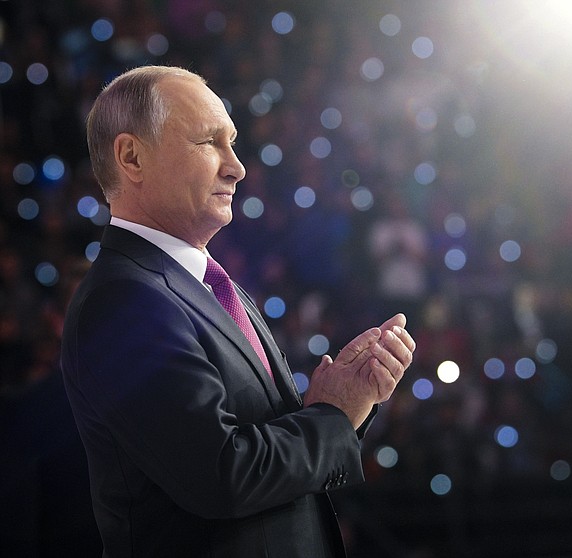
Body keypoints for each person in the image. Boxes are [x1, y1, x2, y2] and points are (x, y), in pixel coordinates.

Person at [60, 65, 415, 557]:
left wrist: (345, 399)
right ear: (131, 157)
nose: (237, 167)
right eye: (209, 142)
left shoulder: (209, 286)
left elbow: (265, 442)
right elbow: (222, 474)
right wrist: (334, 416)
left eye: (232, 143)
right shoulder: (123, 301)